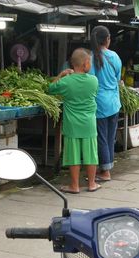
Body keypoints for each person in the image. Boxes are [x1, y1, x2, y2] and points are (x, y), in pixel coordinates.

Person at [48, 49, 100, 194]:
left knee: (73, 155)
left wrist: (61, 75)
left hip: (72, 124)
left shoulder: (66, 81)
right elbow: (93, 93)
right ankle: (91, 184)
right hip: (89, 123)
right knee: (91, 154)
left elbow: (50, 89)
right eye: (89, 62)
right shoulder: (93, 80)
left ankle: (75, 186)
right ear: (85, 64)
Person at [89, 26, 122, 182]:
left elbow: (91, 82)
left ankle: (105, 172)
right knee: (109, 137)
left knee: (101, 137)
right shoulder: (114, 56)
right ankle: (106, 168)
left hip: (100, 103)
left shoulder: (91, 58)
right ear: (107, 39)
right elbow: (117, 78)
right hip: (114, 102)